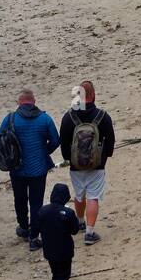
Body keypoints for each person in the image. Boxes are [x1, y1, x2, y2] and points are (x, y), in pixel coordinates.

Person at [0, 89, 60, 247]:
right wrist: (44, 151)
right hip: (38, 168)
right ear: (34, 102)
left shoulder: (10, 118)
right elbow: (56, 140)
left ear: (19, 102)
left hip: (17, 168)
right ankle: (34, 236)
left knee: (20, 199)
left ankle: (24, 227)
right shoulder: (44, 119)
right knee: (36, 202)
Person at [60, 81, 115, 245]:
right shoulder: (102, 116)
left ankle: (80, 221)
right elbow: (110, 139)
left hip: (76, 164)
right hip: (96, 163)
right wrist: (106, 156)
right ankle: (90, 233)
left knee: (79, 193)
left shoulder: (69, 117)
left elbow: (63, 141)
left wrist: (68, 158)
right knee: (93, 196)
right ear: (93, 95)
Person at [37, 182, 80, 280]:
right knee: (64, 276)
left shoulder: (42, 211)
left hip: (49, 250)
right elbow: (75, 230)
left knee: (55, 274)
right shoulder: (68, 213)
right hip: (65, 250)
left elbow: (36, 228)